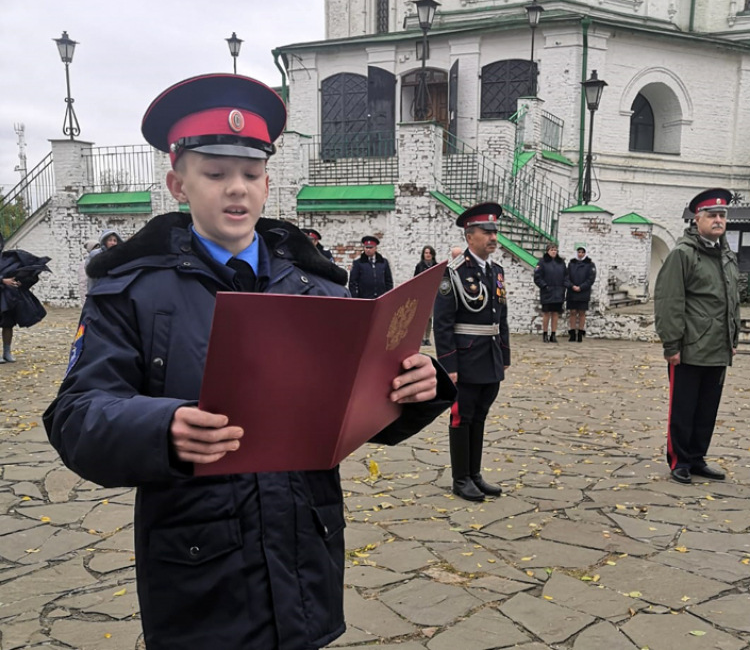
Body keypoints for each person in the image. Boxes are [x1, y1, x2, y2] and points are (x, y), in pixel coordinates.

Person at [42, 73, 455, 650]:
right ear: (177, 184)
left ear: (267, 183)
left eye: (251, 173)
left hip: (305, 556)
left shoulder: (320, 289)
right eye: (214, 174)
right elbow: (76, 415)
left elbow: (354, 412)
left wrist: (416, 388)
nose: (236, 189)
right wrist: (162, 428)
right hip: (198, 568)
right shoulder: (129, 291)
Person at [654, 188, 740, 485]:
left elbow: (732, 300)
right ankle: (679, 460)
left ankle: (698, 457)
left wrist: (733, 338)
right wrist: (671, 344)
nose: (718, 220)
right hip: (689, 347)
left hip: (717, 347)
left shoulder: (726, 255)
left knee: (706, 409)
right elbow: (669, 301)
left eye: (722, 215)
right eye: (712, 215)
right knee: (683, 408)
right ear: (697, 219)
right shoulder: (683, 254)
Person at [434, 203, 510, 502]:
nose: (493, 237)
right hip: (464, 359)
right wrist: (448, 365)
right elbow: (442, 323)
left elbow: (500, 317)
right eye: (487, 232)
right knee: (461, 418)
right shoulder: (452, 273)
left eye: (495, 231)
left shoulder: (496, 271)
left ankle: (475, 474)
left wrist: (504, 356)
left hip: (489, 357)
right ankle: (460, 478)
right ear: (470, 237)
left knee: (479, 416)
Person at [0, 234, 51, 363]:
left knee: (8, 324)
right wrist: (2, 280)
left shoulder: (7, 258)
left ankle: (7, 352)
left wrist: (20, 281)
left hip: (7, 297)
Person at [533, 242, 568, 343]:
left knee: (555, 314)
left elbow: (566, 276)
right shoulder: (542, 262)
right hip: (547, 292)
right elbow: (537, 277)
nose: (553, 252)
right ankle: (545, 334)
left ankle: (553, 334)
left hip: (558, 292)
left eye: (555, 250)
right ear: (547, 251)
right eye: (551, 250)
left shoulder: (561, 263)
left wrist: (564, 286)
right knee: (546, 314)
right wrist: (545, 286)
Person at [566, 246, 596, 342]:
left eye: (582, 252)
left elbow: (591, 279)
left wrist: (581, 287)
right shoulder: (571, 263)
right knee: (573, 312)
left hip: (583, 292)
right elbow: (566, 277)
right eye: (579, 252)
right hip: (572, 291)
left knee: (582, 313)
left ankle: (580, 333)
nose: (580, 254)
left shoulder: (590, 264)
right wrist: (572, 286)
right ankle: (572, 333)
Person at [414, 245, 437, 346]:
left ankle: (427, 337)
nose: (428, 255)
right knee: (422, 317)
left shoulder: (436, 266)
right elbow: (415, 280)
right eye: (426, 253)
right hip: (422, 295)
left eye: (429, 253)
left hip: (433, 295)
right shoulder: (419, 266)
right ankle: (421, 338)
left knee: (429, 317)